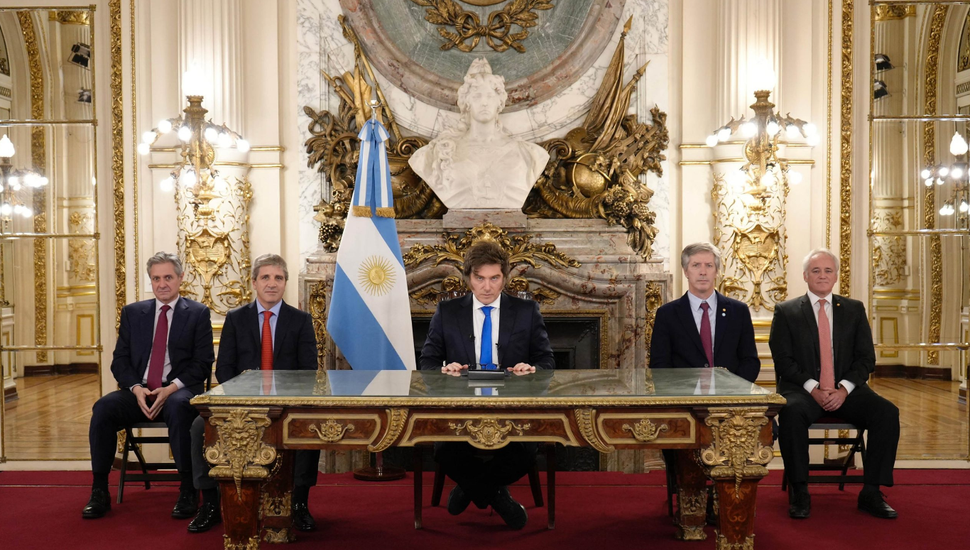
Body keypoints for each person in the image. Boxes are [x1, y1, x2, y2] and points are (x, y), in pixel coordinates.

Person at [419, 240, 555, 529]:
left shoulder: (527, 311)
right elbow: (427, 363)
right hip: (460, 409)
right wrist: (445, 369)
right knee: (445, 450)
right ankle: (495, 495)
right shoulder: (448, 312)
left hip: (513, 408)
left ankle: (471, 489)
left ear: (505, 278)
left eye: (494, 278)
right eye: (479, 278)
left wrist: (532, 368)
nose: (487, 287)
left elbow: (547, 362)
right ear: (468, 277)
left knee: (526, 451)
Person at [186, 254, 320, 533]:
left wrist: (279, 396)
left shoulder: (300, 320)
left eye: (278, 278)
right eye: (266, 278)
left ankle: (299, 504)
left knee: (310, 427)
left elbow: (308, 371)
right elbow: (223, 370)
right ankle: (210, 504)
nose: (272, 284)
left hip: (286, 405)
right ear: (254, 283)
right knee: (199, 426)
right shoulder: (236, 319)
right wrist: (249, 392)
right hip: (241, 404)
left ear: (285, 283)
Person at [770, 248, 900, 520]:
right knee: (791, 413)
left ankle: (871, 492)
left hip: (847, 391)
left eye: (828, 270)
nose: (822, 275)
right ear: (805, 276)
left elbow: (866, 359)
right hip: (802, 390)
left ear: (836, 276)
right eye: (815, 271)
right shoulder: (786, 311)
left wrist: (843, 390)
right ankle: (800, 490)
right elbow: (783, 361)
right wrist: (813, 389)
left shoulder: (853, 309)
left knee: (887, 413)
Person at [83, 252, 214, 519]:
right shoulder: (133, 313)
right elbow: (119, 361)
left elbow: (202, 364)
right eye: (156, 278)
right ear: (150, 281)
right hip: (139, 392)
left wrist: (170, 388)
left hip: (178, 391)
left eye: (168, 277)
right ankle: (99, 490)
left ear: (180, 278)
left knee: (178, 407)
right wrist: (135, 388)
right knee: (103, 408)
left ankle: (188, 489)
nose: (162, 283)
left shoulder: (198, 313)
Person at [408, 58, 549, 210]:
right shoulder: (439, 153)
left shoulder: (529, 154)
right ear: (466, 103)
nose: (484, 102)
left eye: (489, 96)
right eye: (477, 96)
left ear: (499, 102)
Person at [649, 242, 760, 383]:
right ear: (685, 271)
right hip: (684, 398)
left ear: (717, 271)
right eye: (696, 265)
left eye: (709, 265)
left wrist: (733, 390)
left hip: (729, 398)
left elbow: (750, 361)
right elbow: (660, 365)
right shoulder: (667, 314)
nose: (703, 272)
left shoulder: (738, 311)